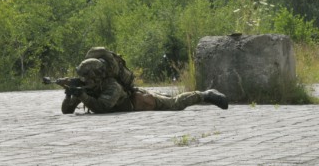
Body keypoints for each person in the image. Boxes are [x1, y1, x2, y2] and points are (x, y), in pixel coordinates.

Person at [61, 56, 229, 114]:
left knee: (174, 104)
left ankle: (205, 94)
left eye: (87, 78)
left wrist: (82, 95)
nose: (84, 82)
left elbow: (102, 108)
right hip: (134, 99)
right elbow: (66, 111)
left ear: (97, 76)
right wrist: (71, 95)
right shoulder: (88, 86)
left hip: (140, 102)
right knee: (169, 99)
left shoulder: (113, 86)